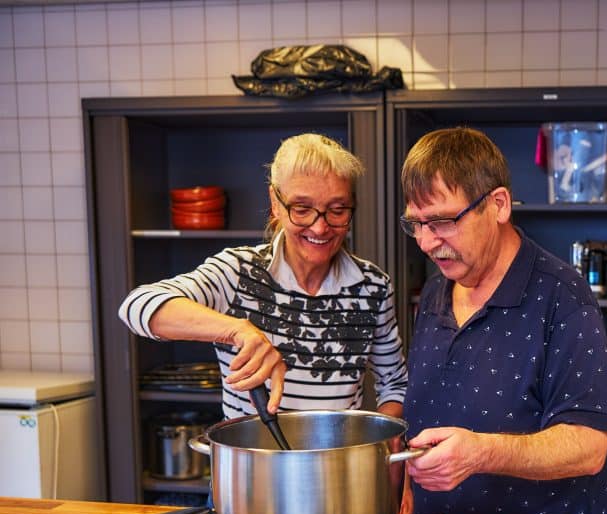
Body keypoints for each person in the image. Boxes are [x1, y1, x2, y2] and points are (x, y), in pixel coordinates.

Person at [400, 127, 607, 514]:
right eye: (416, 224)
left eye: (443, 221)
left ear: (498, 205)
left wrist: (481, 452)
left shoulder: (563, 296)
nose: (427, 243)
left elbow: (588, 447)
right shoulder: (435, 290)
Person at [119, 133, 407, 421]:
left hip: (336, 461)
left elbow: (394, 382)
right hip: (253, 462)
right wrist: (237, 330)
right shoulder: (237, 271)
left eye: (337, 210)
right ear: (275, 202)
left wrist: (387, 436)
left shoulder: (373, 287)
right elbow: (137, 306)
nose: (320, 228)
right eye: (302, 209)